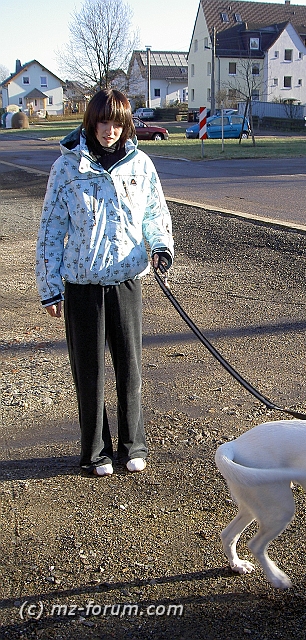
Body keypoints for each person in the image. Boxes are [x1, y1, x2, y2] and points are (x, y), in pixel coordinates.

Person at [36, 89, 174, 477]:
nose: (109, 130)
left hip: (127, 280)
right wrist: (51, 287)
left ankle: (133, 445)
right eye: (102, 121)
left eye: (117, 123)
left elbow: (154, 211)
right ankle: (96, 451)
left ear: (126, 124)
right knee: (90, 372)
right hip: (82, 285)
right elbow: (50, 230)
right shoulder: (67, 168)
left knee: (130, 369)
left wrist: (161, 247)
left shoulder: (141, 164)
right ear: (90, 122)